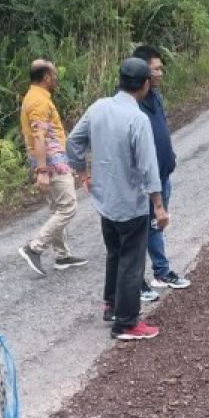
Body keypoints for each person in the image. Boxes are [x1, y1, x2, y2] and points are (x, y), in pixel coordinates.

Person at [67, 58, 169, 341]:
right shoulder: (138, 119)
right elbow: (148, 167)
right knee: (131, 261)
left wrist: (82, 173)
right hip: (131, 202)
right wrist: (158, 206)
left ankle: (111, 304)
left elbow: (73, 142)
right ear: (145, 85)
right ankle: (126, 323)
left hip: (105, 201)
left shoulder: (98, 107)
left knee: (115, 253)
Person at [17, 59, 87, 276]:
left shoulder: (34, 97)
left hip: (53, 161)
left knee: (58, 209)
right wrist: (43, 170)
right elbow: (39, 136)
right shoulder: (38, 101)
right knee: (68, 207)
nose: (56, 79)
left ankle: (63, 256)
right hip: (53, 163)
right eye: (54, 75)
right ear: (46, 77)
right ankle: (34, 247)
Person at [133, 45, 191, 295]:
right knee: (138, 231)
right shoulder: (132, 102)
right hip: (143, 181)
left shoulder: (156, 96)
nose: (160, 73)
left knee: (157, 225)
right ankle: (136, 282)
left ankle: (161, 271)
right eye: (156, 69)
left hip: (163, 175)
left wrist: (170, 156)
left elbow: (161, 127)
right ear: (142, 71)